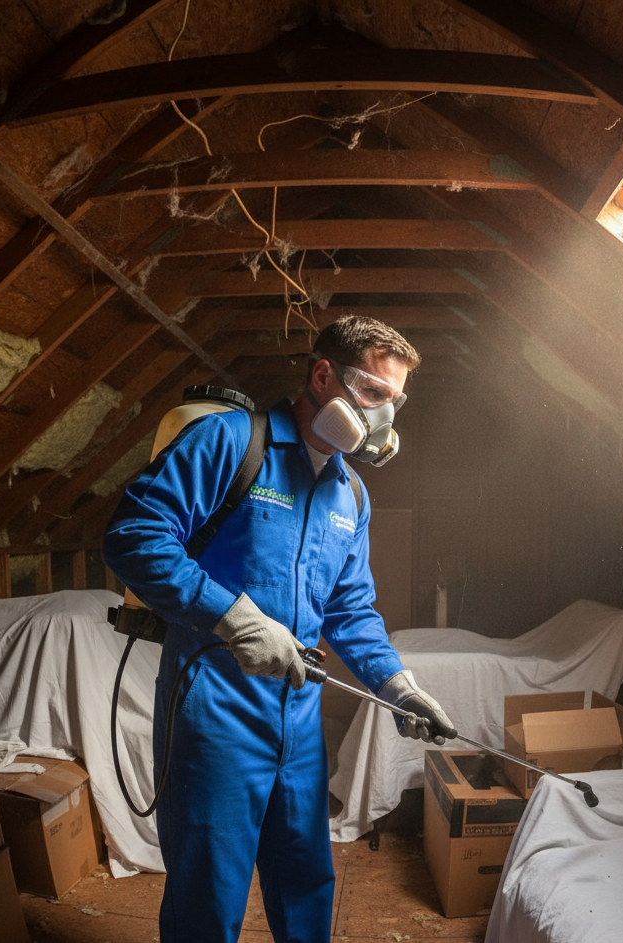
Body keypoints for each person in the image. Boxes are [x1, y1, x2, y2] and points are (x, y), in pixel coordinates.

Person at [102, 316, 457, 943]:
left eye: (394, 402)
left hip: (299, 722)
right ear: (323, 376)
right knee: (208, 898)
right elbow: (133, 536)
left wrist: (397, 684)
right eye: (373, 394)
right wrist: (234, 616)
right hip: (213, 712)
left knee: (305, 885)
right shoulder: (231, 443)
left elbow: (350, 611)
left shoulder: (351, 494)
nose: (383, 418)